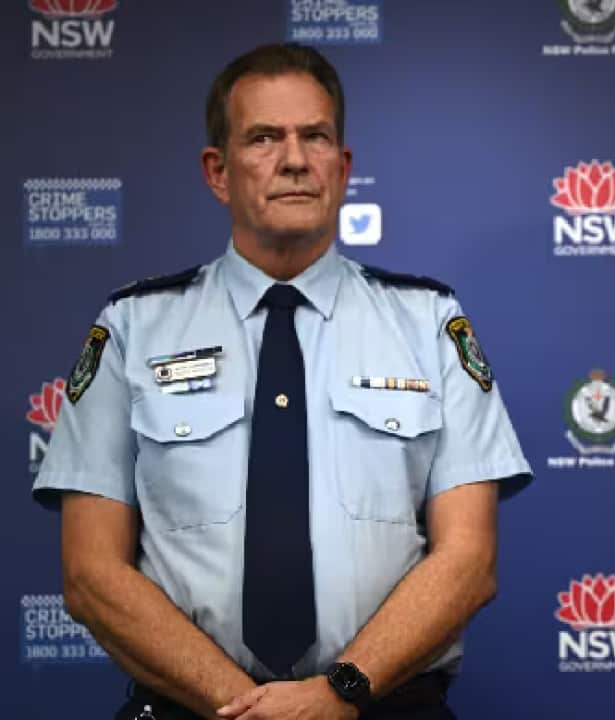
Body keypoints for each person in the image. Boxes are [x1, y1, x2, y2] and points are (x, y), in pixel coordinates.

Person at [31, 42, 532, 720]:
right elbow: (91, 575)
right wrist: (246, 707)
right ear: (218, 171)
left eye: (315, 136)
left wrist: (338, 693)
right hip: (194, 710)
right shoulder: (132, 329)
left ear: (343, 166)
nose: (294, 159)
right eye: (263, 138)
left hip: (382, 706)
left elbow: (469, 559)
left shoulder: (429, 323)